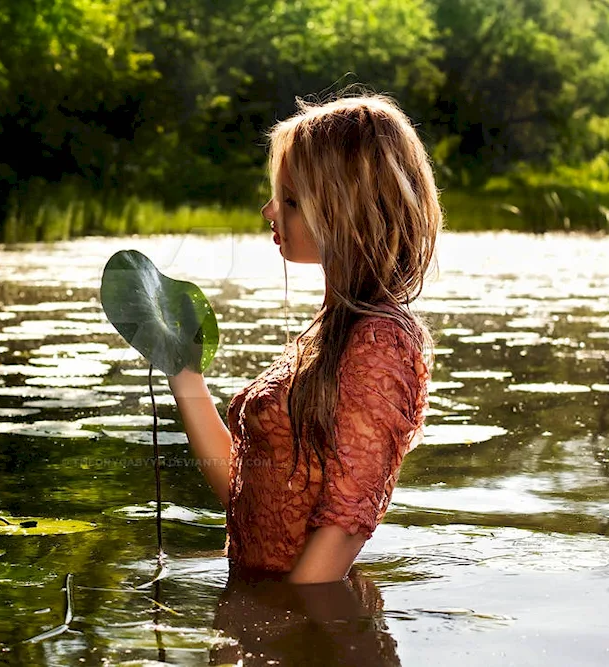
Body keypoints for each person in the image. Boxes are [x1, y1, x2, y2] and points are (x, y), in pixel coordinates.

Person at [167, 93, 440, 584]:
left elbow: (344, 527)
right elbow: (247, 492)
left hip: (308, 635)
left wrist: (280, 632)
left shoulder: (379, 341)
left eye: (291, 200)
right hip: (267, 612)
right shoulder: (332, 331)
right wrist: (184, 374)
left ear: (346, 211)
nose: (270, 209)